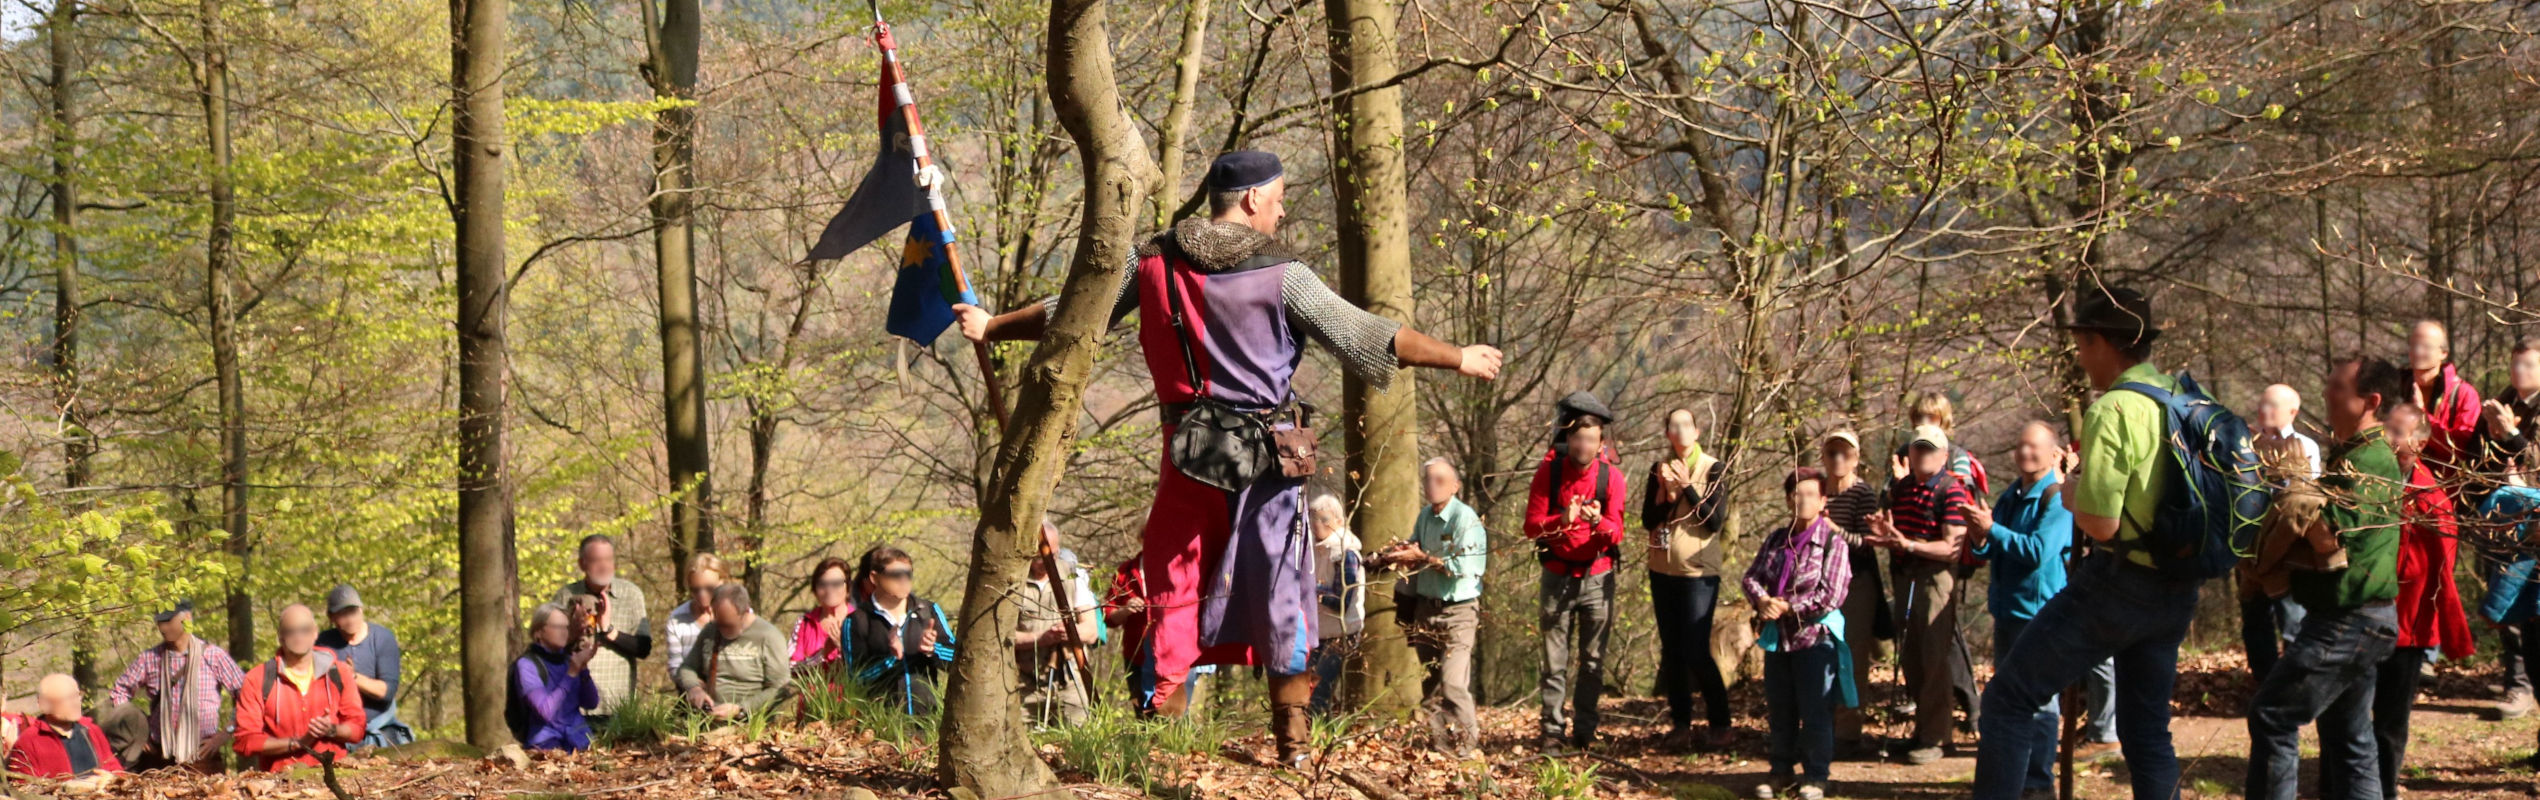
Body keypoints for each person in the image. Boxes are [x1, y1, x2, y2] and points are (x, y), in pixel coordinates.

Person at [954, 149, 1504, 766]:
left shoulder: (1151, 262)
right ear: (1249, 201)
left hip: (1185, 457)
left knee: (1177, 586)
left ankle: (1160, 743)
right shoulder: (1282, 274)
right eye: (1278, 197)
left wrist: (993, 324)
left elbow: (1073, 312)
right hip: (1266, 468)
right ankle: (1293, 750)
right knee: (1281, 594)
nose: (1282, 208)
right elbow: (1368, 335)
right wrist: (1458, 356)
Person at [1973, 286, 2205, 800]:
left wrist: (2070, 488)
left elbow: (2100, 523)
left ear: (2102, 342)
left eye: (2082, 344)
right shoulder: (2183, 399)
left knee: (2008, 699)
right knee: (2147, 730)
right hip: (2177, 584)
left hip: (2120, 585)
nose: (2079, 357)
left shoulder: (2114, 409)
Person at [2244, 355, 2409, 800]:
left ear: (2370, 401)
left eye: (2338, 388)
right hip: (2354, 619)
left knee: (2271, 715)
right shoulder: (2349, 455)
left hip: (2348, 621)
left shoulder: (2371, 460)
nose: (2327, 395)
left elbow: (2327, 538)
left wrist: (2294, 487)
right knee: (2350, 742)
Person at [1962, 421, 2075, 796]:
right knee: (2011, 701)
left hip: (2040, 614)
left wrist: (1991, 529)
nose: (2026, 453)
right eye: (2021, 446)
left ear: (2053, 452)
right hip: (2008, 612)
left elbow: (2038, 553)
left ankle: (2038, 783)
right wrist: (1980, 537)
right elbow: (1991, 549)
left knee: (2041, 703)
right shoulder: (2012, 494)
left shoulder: (2057, 497)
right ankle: (2015, 779)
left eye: (2034, 447)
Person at [2368, 404, 2473, 797]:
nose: (2388, 439)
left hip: (2406, 626)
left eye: (2397, 432)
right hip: (2363, 616)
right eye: (2386, 429)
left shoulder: (2432, 500)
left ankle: (2383, 786)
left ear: (2420, 442)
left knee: (2390, 719)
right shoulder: (2369, 482)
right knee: (2351, 710)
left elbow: (2439, 574)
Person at [1524, 391, 1628, 752]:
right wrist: (1560, 521)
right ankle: (1552, 731)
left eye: (1591, 440)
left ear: (1601, 444)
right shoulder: (1549, 472)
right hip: (1556, 575)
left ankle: (1585, 730)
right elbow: (1531, 527)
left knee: (1593, 661)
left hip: (1598, 577)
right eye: (1578, 438)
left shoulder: (1612, 478)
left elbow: (1617, 532)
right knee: (1554, 662)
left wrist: (1598, 522)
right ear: (1568, 440)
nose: (1584, 445)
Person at [1864, 424, 1972, 765]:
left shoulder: (1951, 491)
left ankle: (1938, 737)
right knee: (1911, 656)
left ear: (1942, 455)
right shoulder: (1904, 487)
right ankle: (1922, 732)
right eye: (1917, 449)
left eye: (1929, 450)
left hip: (1934, 579)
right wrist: (1887, 539)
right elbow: (1899, 533)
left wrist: (1908, 544)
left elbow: (1952, 548)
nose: (1922, 455)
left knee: (1934, 657)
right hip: (1905, 576)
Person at [1744, 467, 1852, 800]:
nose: (1801, 500)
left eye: (1808, 494)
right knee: (1781, 709)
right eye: (1795, 493)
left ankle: (1817, 776)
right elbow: (1751, 577)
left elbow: (1831, 594)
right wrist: (1762, 600)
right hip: (1778, 639)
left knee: (1815, 710)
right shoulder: (1777, 539)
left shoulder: (1833, 542)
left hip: (1815, 639)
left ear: (1822, 501)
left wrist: (1789, 607)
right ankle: (1780, 771)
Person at [1378, 457, 1489, 757]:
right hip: (1425, 609)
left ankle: (1467, 751)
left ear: (1455, 486)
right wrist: (1398, 553)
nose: (1432, 485)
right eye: (1427, 479)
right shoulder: (1425, 516)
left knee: (1453, 685)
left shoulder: (1466, 520)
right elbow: (1416, 547)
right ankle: (1441, 750)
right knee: (1430, 687)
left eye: (1440, 480)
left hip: (1459, 612)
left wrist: (1424, 557)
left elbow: (1464, 567)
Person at [1644, 408, 1735, 750]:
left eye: (1686, 425)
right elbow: (1646, 519)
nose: (1680, 431)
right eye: (1673, 426)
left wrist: (1687, 488)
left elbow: (1714, 521)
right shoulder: (1658, 469)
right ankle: (1681, 724)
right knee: (1673, 652)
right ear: (1667, 433)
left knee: (1697, 650)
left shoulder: (1713, 468)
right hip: (1662, 570)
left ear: (1696, 432)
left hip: (1699, 574)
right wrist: (1667, 496)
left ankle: (1721, 723)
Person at [103, 600, 244, 773]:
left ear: (187, 618)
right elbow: (119, 691)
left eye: (168, 621)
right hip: (158, 757)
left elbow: (246, 697)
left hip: (201, 757)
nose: (163, 628)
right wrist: (138, 735)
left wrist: (225, 733)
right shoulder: (150, 658)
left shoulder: (213, 656)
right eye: (160, 622)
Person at [2242, 384, 2322, 684]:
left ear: (2293, 412)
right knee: (2254, 618)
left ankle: (2295, 685)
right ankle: (2263, 683)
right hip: (2250, 544)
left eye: (2272, 406)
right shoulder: (2244, 444)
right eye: (2262, 405)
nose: (2264, 411)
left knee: (2293, 620)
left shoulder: (2306, 446)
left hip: (2288, 546)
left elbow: (2303, 497)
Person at [2477, 339, 2540, 720]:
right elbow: (2482, 457)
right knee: (2506, 604)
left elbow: (2534, 463)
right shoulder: (2505, 401)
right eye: (2516, 365)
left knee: (2530, 609)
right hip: (2504, 516)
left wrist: (2511, 435)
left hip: (2535, 523)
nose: (2519, 373)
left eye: (2529, 366)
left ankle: (2523, 687)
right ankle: (2516, 680)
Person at [1818, 430, 1888, 753]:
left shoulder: (1863, 494)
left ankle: (1848, 731)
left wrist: (1835, 533)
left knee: (1851, 655)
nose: (1838, 459)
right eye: (1832, 453)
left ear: (1856, 458)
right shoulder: (1818, 491)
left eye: (1845, 453)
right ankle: (1823, 725)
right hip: (1821, 584)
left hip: (1856, 584)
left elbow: (1867, 545)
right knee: (1821, 655)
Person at [232, 604, 365, 772]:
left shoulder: (339, 673)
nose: (299, 636)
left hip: (335, 775)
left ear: (315, 632)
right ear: (280, 636)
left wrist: (332, 729)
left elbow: (358, 728)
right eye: (291, 631)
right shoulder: (257, 679)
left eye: (305, 630)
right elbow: (245, 741)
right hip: (280, 782)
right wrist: (297, 743)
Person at [839, 546, 957, 715]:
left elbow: (959, 659)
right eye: (895, 574)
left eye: (908, 574)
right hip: (879, 728)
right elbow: (854, 679)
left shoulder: (929, 611)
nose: (903, 580)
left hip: (927, 723)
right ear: (874, 577)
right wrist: (891, 660)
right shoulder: (857, 621)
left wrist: (933, 649)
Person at [551, 534, 652, 721]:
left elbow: (644, 648)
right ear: (582, 564)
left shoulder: (631, 594)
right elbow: (548, 651)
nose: (604, 566)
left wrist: (608, 630)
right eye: (596, 560)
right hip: (574, 705)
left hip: (617, 705)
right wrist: (571, 634)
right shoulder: (566, 596)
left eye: (608, 560)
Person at [1014, 533, 1100, 729]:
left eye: (1052, 555)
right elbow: (1002, 637)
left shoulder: (1073, 575)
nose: (1045, 562)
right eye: (1038, 557)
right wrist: (1041, 638)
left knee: (1077, 740)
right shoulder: (1014, 580)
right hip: (1025, 683)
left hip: (1070, 680)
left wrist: (1070, 632)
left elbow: (1091, 630)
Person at [674, 584, 793, 720]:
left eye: (728, 625)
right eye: (719, 622)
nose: (722, 630)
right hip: (708, 720)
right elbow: (687, 668)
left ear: (745, 611)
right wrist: (694, 688)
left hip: (750, 723)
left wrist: (741, 709)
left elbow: (780, 687)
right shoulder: (711, 631)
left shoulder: (769, 636)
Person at [313, 585, 411, 749]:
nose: (350, 619)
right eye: (343, 614)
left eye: (353, 612)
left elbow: (386, 691)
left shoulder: (382, 638)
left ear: (361, 610)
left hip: (379, 725)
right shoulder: (323, 644)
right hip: (338, 728)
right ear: (331, 617)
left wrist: (352, 677)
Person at [4, 674, 123, 789]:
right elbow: (23, 791)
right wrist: (76, 787)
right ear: (44, 705)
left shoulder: (92, 731)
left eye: (77, 696)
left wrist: (112, 779)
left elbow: (118, 773)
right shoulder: (29, 742)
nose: (76, 703)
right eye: (68, 698)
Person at [509, 603, 600, 751]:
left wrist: (583, 669)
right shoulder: (527, 665)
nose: (564, 632)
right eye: (558, 627)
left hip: (580, 739)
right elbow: (546, 711)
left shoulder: (568, 660)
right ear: (538, 632)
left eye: (566, 627)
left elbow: (591, 703)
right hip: (546, 742)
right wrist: (571, 673)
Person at [1306, 494, 1366, 715]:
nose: (1317, 524)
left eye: (1324, 518)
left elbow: (1343, 601)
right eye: (1313, 518)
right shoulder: (1312, 550)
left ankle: (1321, 740)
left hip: (1342, 632)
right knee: (1305, 689)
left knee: (1320, 691)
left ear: (1339, 521)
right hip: (1318, 632)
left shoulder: (1346, 553)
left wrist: (1314, 593)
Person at [2408, 320, 2482, 477]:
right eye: (2414, 345)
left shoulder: (2464, 394)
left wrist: (2422, 415)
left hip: (2443, 490)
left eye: (2426, 346)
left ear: (2444, 353)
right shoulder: (2396, 385)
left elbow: (2460, 450)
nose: (2418, 351)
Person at [662, 553, 729, 684]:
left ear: (723, 581)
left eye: (710, 588)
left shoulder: (740, 614)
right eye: (696, 589)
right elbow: (675, 666)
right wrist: (695, 687)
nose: (702, 594)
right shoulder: (677, 619)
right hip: (692, 693)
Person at [793, 557, 858, 670]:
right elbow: (791, 668)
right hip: (814, 688)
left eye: (836, 583)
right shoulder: (804, 623)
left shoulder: (861, 621)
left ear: (848, 587)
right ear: (815, 589)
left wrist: (843, 649)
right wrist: (822, 655)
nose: (829, 589)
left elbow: (868, 668)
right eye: (822, 584)